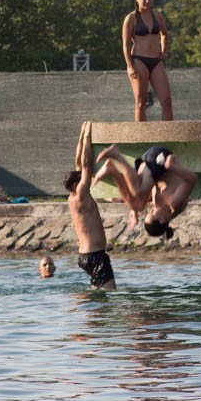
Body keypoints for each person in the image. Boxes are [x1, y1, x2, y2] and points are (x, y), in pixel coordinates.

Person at [94, 143, 197, 238]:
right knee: (139, 197)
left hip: (151, 165)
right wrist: (172, 167)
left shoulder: (159, 206)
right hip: (160, 158)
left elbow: (140, 198)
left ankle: (112, 169)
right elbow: (192, 180)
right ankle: (115, 159)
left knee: (138, 205)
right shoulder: (174, 202)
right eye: (152, 213)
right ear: (161, 219)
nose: (151, 209)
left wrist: (133, 210)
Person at [64, 122, 116, 290]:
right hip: (95, 255)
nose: (87, 181)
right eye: (81, 181)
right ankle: (84, 311)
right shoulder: (80, 195)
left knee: (98, 296)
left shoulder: (74, 197)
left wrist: (81, 135)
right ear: (74, 186)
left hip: (88, 255)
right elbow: (86, 164)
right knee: (109, 294)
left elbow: (78, 163)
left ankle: (85, 312)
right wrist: (87, 137)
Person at [123, 0, 173, 122]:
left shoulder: (157, 15)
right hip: (139, 61)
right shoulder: (131, 18)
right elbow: (126, 44)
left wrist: (164, 51)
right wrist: (129, 66)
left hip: (156, 61)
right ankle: (142, 139)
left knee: (167, 101)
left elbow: (164, 34)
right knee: (141, 101)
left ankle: (168, 137)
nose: (147, 1)